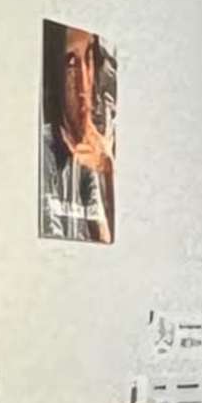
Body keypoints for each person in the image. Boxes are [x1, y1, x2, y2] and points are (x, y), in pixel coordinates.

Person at [38, 24, 115, 242]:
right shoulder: (44, 149)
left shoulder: (82, 147)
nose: (84, 81)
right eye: (71, 63)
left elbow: (103, 237)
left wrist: (108, 173)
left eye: (89, 57)